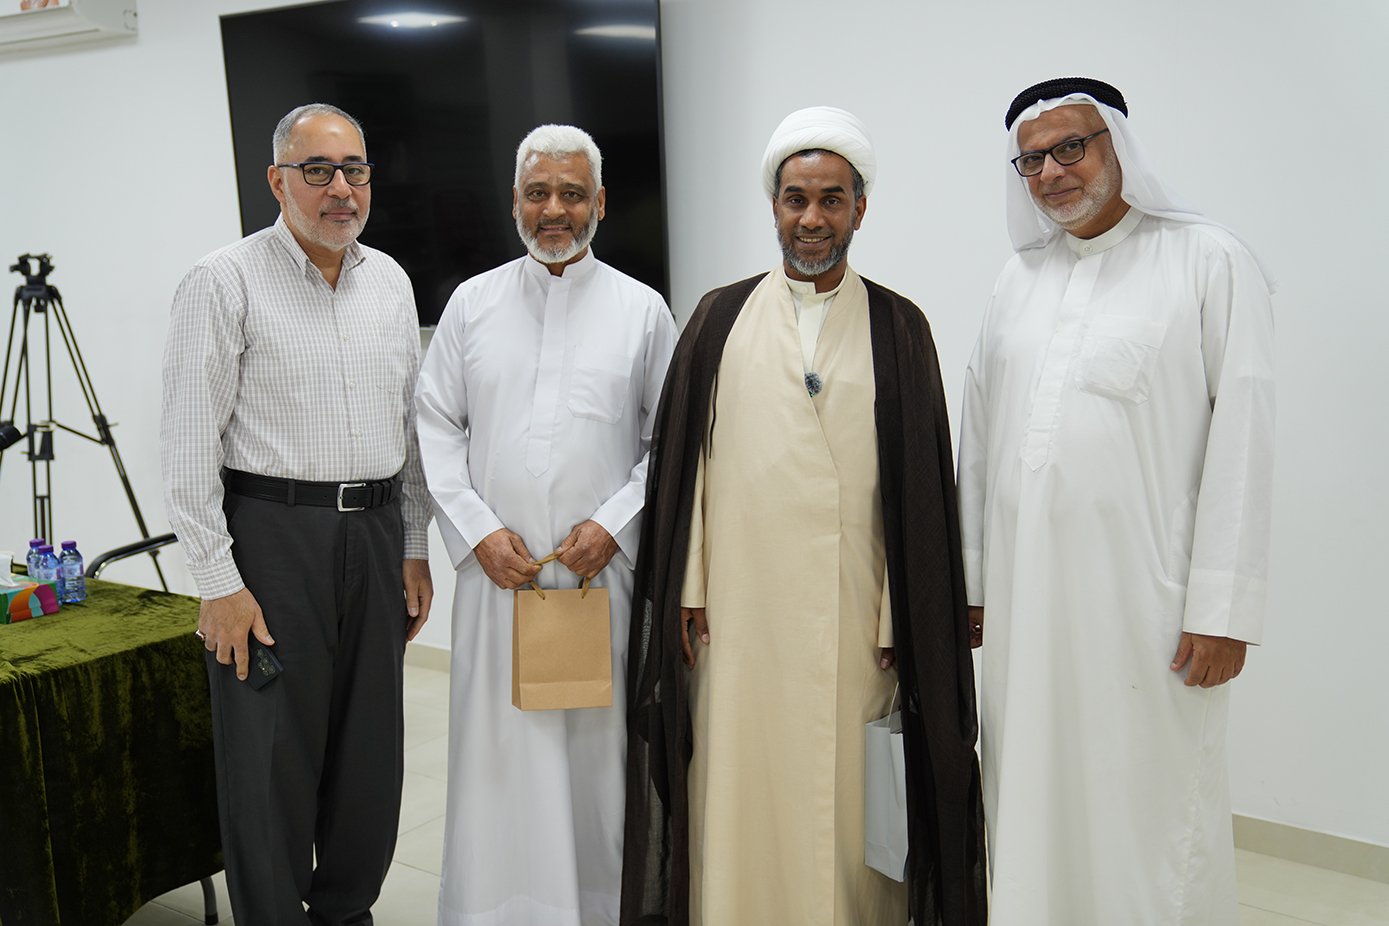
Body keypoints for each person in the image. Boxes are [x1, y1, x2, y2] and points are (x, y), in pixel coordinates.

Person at [621, 106, 987, 926]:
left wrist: (900, 615)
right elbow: (687, 470)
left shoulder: (898, 325)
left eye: (831, 199)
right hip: (738, 614)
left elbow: (920, 493)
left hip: (855, 619)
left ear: (860, 208)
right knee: (740, 785)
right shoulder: (718, 317)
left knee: (847, 802)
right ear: (774, 206)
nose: (811, 218)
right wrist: (688, 585)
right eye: (796, 199)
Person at [958, 77, 1275, 925]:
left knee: (1148, 802)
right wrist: (972, 580)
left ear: (1117, 147)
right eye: (1031, 160)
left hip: (1146, 610)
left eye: (1071, 147)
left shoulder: (1207, 260)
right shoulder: (1016, 280)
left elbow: (1243, 435)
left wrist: (1223, 608)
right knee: (1029, 787)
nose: (1051, 172)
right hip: (1025, 606)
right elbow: (979, 437)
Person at [161, 102, 433, 925]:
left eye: (355, 170)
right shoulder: (223, 281)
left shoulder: (390, 281)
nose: (341, 188)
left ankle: (347, 912)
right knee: (271, 759)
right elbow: (186, 445)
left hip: (375, 534)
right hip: (271, 540)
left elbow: (409, 428)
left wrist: (413, 544)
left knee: (369, 755)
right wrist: (218, 582)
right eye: (318, 171)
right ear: (278, 182)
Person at [414, 123, 677, 926]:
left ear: (600, 202)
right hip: (500, 586)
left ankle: (595, 909)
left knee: (596, 765)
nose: (553, 209)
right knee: (501, 761)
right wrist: (477, 533)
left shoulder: (642, 311)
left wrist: (615, 524)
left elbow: (668, 441)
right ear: (515, 202)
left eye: (571, 193)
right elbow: (434, 425)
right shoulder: (471, 304)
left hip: (601, 584)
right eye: (538, 193)